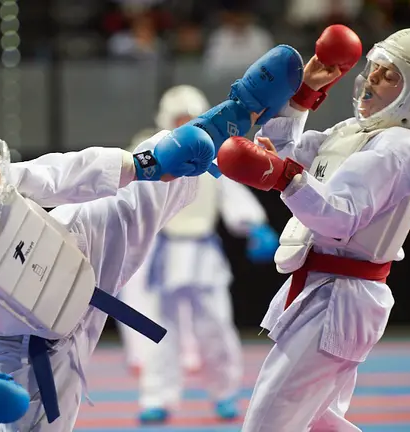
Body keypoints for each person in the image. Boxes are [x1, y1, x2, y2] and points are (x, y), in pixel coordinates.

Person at [0, 43, 306, 432]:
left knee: (155, 173)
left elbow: (63, 173)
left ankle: (240, 111)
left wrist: (144, 164)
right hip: (32, 347)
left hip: (80, 253)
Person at [216, 26, 410, 431]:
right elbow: (284, 152)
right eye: (376, 68)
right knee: (317, 422)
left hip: (341, 297)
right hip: (326, 289)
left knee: (269, 422)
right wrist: (303, 97)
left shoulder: (400, 146)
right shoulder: (352, 133)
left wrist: (284, 177)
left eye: (390, 75)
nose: (372, 79)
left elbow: (341, 217)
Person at [116, 85, 280, 424]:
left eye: (192, 117)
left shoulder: (215, 151)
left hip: (203, 253)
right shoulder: (149, 148)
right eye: (179, 118)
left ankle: (224, 393)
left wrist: (253, 225)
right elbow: (126, 191)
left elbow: (230, 191)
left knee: (216, 326)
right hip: (163, 253)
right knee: (160, 331)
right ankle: (158, 396)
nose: (186, 123)